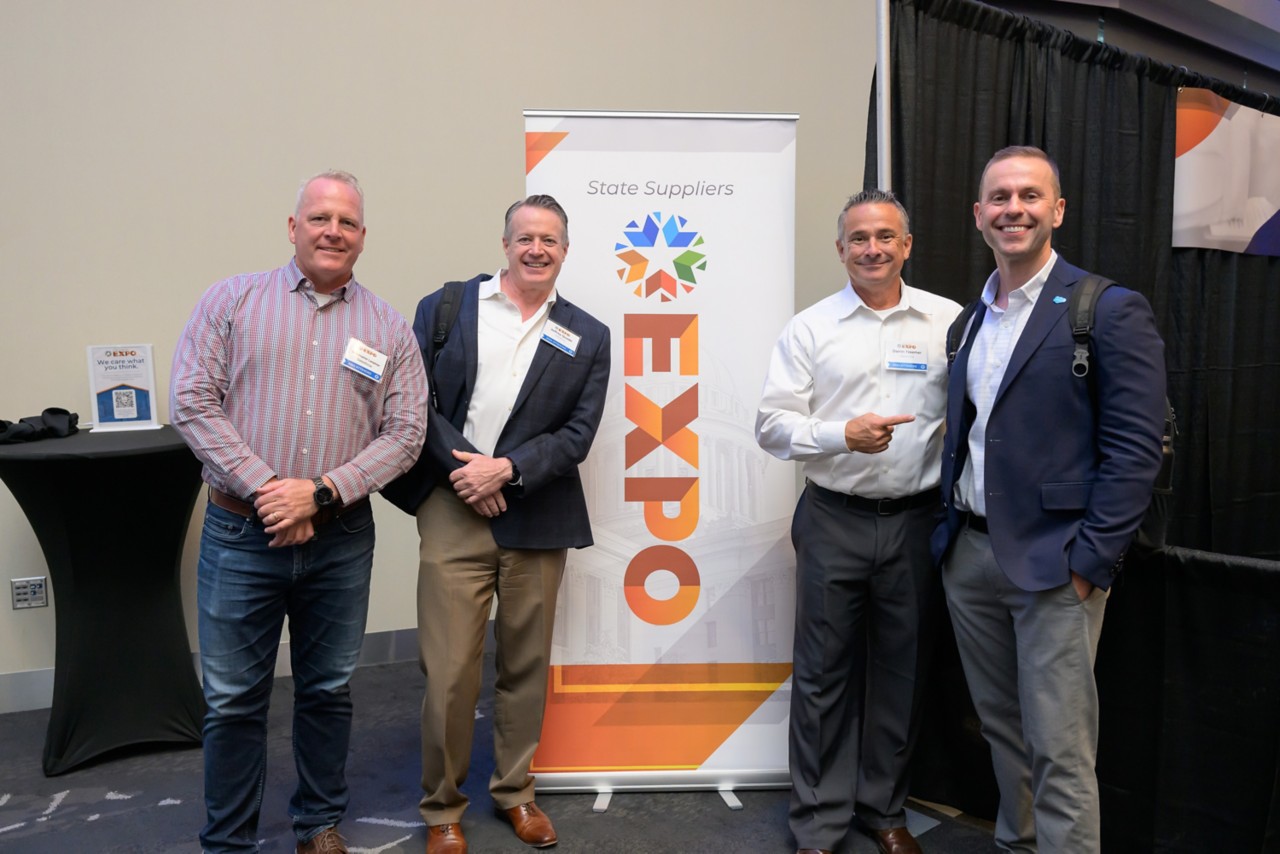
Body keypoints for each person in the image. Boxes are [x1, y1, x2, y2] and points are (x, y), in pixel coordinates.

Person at [171, 170, 429, 854]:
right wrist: (269, 488)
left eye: (346, 222)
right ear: (293, 228)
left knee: (328, 690)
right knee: (232, 702)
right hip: (239, 534)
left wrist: (318, 493)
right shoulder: (231, 301)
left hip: (341, 538)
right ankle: (228, 842)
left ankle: (318, 823)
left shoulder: (387, 327)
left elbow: (406, 434)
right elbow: (193, 402)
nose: (332, 231)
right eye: (319, 217)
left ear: (363, 238)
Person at [932, 146, 1166, 853]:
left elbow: (1135, 451)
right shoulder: (969, 322)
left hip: (1055, 564)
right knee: (1002, 730)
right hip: (970, 556)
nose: (1014, 209)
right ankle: (1017, 844)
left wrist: (1090, 562)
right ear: (979, 215)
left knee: (1060, 748)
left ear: (1056, 210)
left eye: (1030, 196)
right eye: (999, 197)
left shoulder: (1106, 309)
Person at [385, 194, 610, 854]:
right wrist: (469, 472)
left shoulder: (588, 333)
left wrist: (506, 470)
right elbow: (415, 400)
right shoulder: (448, 308)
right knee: (450, 669)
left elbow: (577, 434)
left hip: (538, 513)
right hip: (454, 508)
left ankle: (516, 793)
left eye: (549, 239)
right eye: (524, 237)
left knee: (526, 665)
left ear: (565, 250)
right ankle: (443, 807)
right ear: (505, 244)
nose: (536, 248)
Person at [756, 189, 961, 854]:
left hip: (916, 521)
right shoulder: (810, 328)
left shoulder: (949, 322)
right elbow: (772, 425)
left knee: (904, 671)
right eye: (858, 238)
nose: (871, 248)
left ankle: (884, 809)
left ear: (906, 245)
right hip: (833, 518)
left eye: (885, 237)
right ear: (840, 249)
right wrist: (841, 434)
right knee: (822, 674)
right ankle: (817, 821)